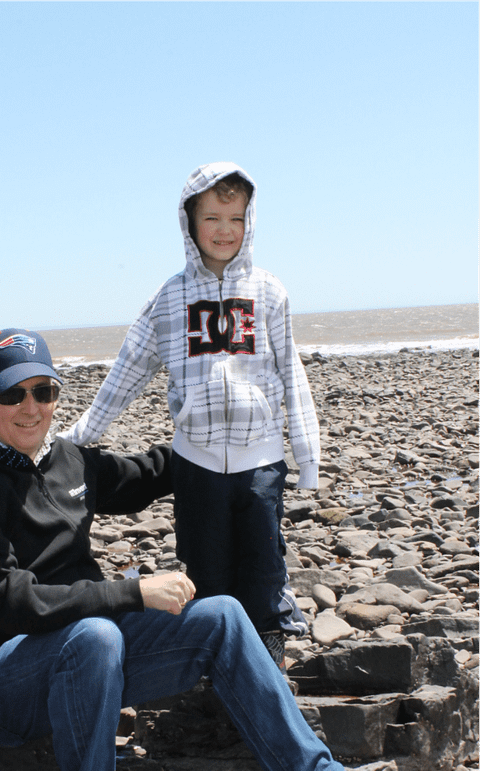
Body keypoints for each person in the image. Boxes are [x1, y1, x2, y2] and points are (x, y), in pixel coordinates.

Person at [0, 328, 431, 771]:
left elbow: (150, 472)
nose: (31, 406)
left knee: (221, 616)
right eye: (12, 395)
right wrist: (132, 592)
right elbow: (5, 603)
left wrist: (221, 432)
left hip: (82, 663)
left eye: (43, 390)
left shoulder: (65, 460)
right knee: (97, 634)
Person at [64, 162, 319, 673]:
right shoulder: (169, 298)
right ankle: (218, 670)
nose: (225, 229)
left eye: (237, 218)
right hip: (196, 464)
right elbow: (128, 371)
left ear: (250, 223)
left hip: (262, 460)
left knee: (264, 571)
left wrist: (306, 456)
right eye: (213, 217)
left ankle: (268, 668)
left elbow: (291, 370)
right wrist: (77, 439)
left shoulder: (269, 291)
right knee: (208, 571)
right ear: (188, 222)